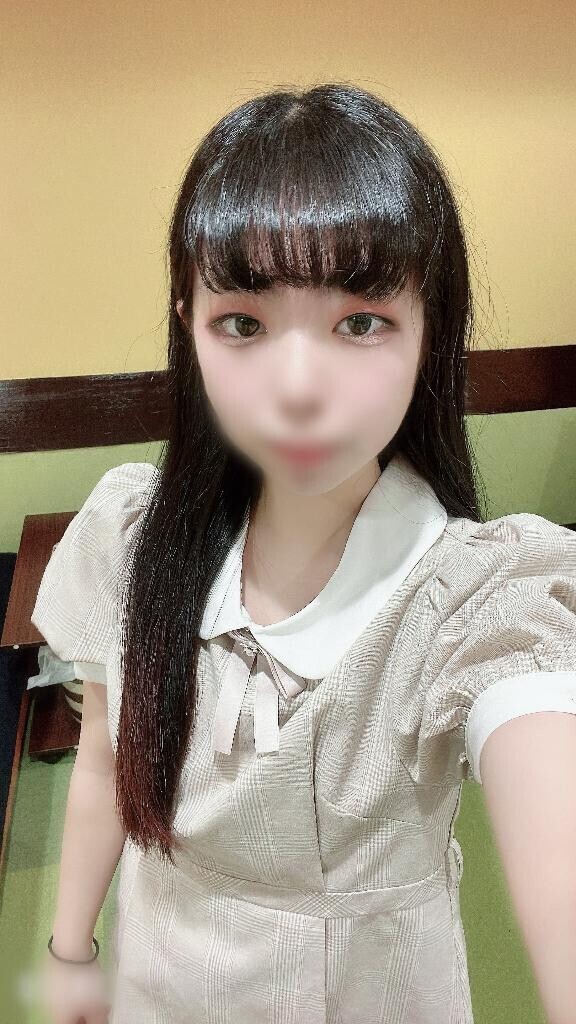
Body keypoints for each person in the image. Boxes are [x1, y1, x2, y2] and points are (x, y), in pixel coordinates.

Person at [30, 82, 576, 1024]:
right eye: (242, 323)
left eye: (360, 321)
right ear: (189, 324)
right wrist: (70, 951)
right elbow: (105, 766)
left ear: (431, 329)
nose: (297, 389)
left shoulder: (479, 594)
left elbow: (541, 744)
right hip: (163, 972)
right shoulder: (132, 540)